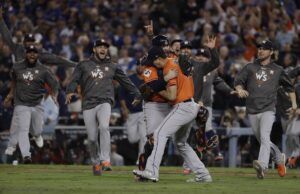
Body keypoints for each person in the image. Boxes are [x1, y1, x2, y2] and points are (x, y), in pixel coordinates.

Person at [133, 46, 212, 183]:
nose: (152, 64)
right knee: (180, 143)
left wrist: (155, 90)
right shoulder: (175, 61)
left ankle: (151, 171)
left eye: (153, 61)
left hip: (182, 107)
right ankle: (203, 174)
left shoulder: (168, 67)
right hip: (191, 105)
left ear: (158, 59)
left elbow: (171, 95)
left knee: (159, 134)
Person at [66, 39, 142, 175]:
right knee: (92, 138)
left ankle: (105, 160)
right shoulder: (83, 65)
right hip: (88, 104)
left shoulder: (113, 66)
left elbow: (126, 81)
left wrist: (137, 93)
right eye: (100, 47)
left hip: (105, 101)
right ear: (94, 49)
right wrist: (70, 91)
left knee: (104, 127)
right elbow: (74, 79)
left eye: (105, 47)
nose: (103, 49)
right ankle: (95, 162)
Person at [234, 39, 297, 179]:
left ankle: (263, 166)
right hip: (252, 109)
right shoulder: (250, 67)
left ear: (271, 52)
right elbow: (238, 81)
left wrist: (294, 104)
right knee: (264, 140)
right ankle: (279, 159)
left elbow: (289, 87)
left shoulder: (278, 70)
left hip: (268, 109)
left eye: (264, 48)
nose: (260, 50)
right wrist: (239, 89)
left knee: (264, 137)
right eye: (259, 48)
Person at [6, 44, 59, 163]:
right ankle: (26, 155)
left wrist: (54, 95)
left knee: (37, 129)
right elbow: (14, 80)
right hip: (22, 103)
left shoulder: (43, 70)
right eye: (29, 52)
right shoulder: (17, 67)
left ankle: (37, 135)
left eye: (34, 52)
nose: (32, 54)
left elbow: (54, 84)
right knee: (23, 129)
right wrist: (10, 94)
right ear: (26, 54)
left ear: (37, 55)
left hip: (37, 103)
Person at [119, 63, 147, 161]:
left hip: (144, 111)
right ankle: (145, 136)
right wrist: (125, 109)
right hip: (132, 112)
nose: (140, 67)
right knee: (132, 139)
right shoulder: (129, 79)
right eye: (138, 65)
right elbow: (122, 96)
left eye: (142, 65)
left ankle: (141, 159)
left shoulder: (148, 79)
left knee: (144, 137)